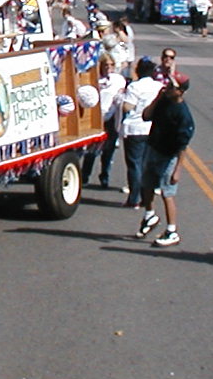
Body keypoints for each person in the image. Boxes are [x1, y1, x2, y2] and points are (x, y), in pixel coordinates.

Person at [137, 74, 194, 247]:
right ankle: (150, 215)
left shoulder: (183, 115)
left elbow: (182, 146)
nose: (167, 87)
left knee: (167, 193)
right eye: (168, 84)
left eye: (172, 86)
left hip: (169, 156)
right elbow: (145, 116)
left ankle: (172, 231)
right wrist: (157, 98)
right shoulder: (163, 101)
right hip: (153, 149)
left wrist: (178, 170)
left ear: (180, 92)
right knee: (146, 185)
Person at [119, 58, 164, 209]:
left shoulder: (135, 87)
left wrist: (121, 98)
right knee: (147, 165)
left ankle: (134, 198)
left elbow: (127, 107)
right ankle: (146, 198)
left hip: (136, 129)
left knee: (135, 164)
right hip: (153, 128)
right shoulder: (159, 86)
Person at [81, 54, 126, 191]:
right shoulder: (94, 79)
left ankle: (104, 177)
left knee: (108, 151)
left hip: (111, 119)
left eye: (111, 65)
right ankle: (85, 176)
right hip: (97, 118)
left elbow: (121, 95)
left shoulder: (118, 80)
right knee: (92, 150)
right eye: (106, 65)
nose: (108, 68)